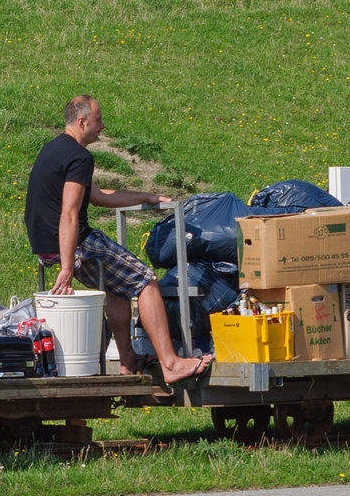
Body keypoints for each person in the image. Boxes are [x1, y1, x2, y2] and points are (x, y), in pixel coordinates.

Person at [25, 95, 211, 383]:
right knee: (145, 280)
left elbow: (97, 196)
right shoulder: (79, 156)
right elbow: (70, 214)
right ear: (82, 121)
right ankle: (172, 364)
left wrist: (146, 197)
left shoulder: (54, 150)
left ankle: (127, 360)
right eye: (98, 120)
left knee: (119, 286)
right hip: (75, 244)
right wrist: (67, 266)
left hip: (45, 246)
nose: (102, 126)